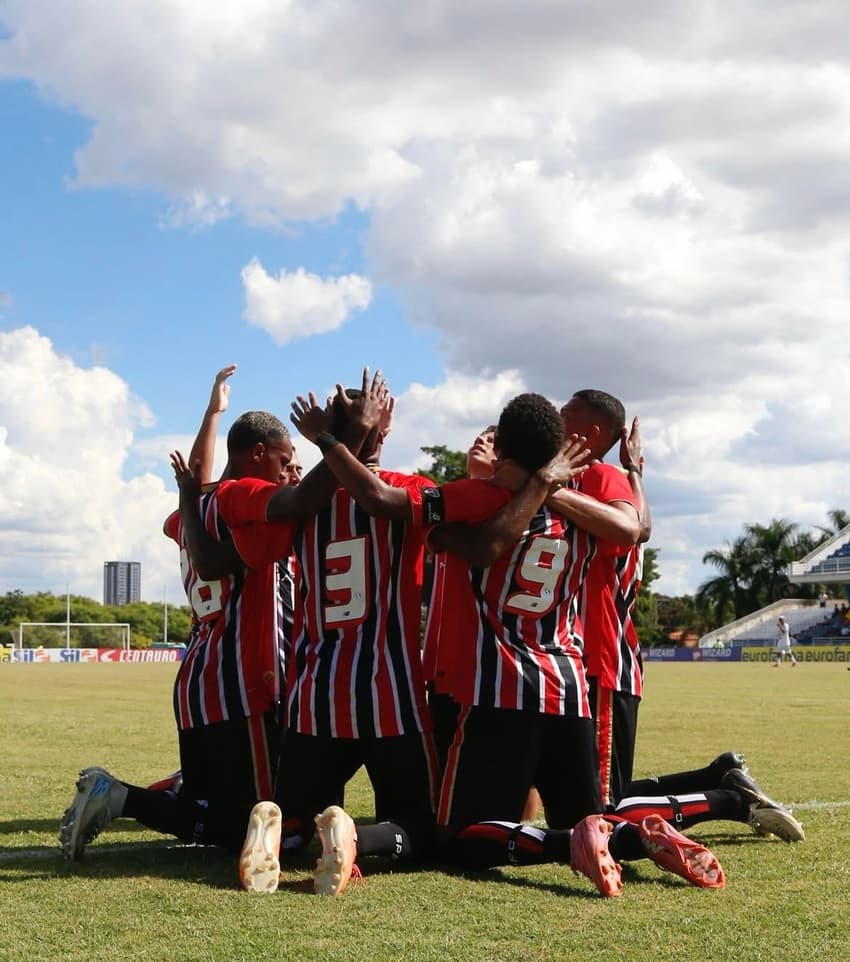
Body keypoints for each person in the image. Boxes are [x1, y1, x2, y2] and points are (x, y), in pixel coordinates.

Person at [300, 390, 724, 897]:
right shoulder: (588, 512)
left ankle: (571, 842)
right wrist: (561, 483)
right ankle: (639, 834)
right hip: (569, 689)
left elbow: (381, 500)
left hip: (498, 689)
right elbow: (634, 528)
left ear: (505, 452)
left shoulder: (480, 497)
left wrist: (326, 439)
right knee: (590, 819)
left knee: (457, 837)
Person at [60, 395, 346, 861]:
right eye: (283, 460)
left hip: (197, 681)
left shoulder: (186, 515)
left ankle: (124, 797)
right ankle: (125, 795)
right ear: (258, 453)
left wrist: (207, 432)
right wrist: (342, 440)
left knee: (205, 815)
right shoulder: (242, 497)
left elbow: (200, 491)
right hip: (244, 681)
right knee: (265, 826)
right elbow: (299, 500)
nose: (285, 472)